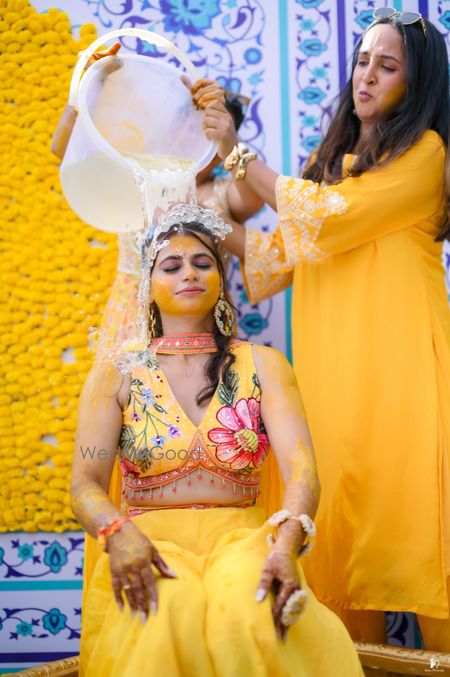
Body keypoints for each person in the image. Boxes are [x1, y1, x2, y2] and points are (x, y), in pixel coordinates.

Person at [199, 7, 450, 649]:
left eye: (387, 66)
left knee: (424, 536)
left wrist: (236, 153)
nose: (366, 76)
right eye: (363, 61)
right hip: (333, 385)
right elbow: (274, 257)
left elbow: (326, 218)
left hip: (406, 381)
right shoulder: (328, 162)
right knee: (337, 549)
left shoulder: (426, 154)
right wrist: (193, 216)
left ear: (417, 83)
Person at [72, 204, 363, 676]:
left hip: (242, 540)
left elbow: (302, 469)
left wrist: (286, 545)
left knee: (245, 611)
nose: (189, 272)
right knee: (166, 612)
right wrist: (118, 534)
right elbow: (85, 481)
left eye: (203, 263)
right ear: (147, 284)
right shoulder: (116, 373)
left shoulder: (264, 365)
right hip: (150, 540)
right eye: (171, 265)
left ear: (221, 280)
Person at [51, 51, 263, 361]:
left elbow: (253, 195)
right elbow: (63, 150)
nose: (191, 134)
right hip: (130, 318)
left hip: (199, 323)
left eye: (204, 128)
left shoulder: (222, 194)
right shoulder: (141, 176)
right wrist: (88, 87)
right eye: (186, 122)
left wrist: (230, 142)